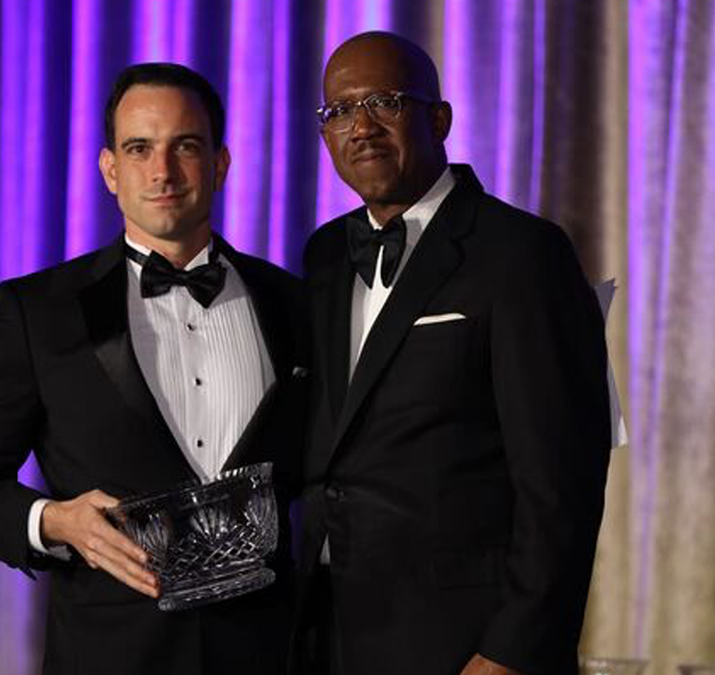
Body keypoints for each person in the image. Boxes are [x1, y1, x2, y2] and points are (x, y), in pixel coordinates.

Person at [0, 62, 307, 675]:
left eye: (186, 145)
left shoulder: (295, 304)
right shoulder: (37, 312)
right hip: (110, 656)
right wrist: (54, 521)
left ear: (221, 163)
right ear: (110, 170)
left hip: (271, 653)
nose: (163, 171)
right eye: (139, 148)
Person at [296, 32, 611, 675]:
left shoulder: (523, 254)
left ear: (438, 118)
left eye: (384, 102)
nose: (361, 127)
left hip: (466, 641)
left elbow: (563, 483)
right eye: (339, 111)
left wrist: (513, 649)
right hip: (333, 631)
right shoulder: (326, 255)